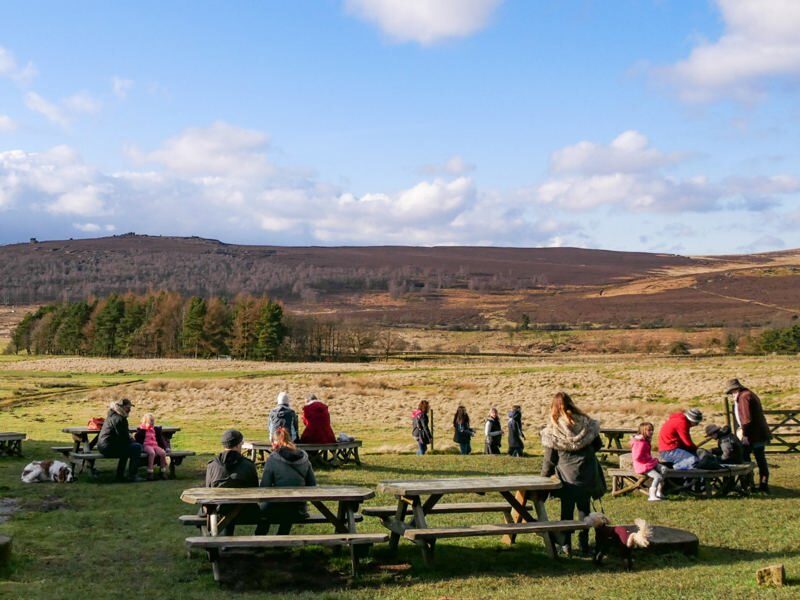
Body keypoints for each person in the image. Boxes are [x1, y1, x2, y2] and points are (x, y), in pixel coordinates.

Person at [540, 392, 602, 556]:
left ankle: (565, 544)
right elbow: (598, 444)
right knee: (585, 510)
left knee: (566, 512)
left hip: (567, 478)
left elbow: (550, 460)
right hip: (587, 474)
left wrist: (543, 479)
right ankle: (584, 544)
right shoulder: (586, 423)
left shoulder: (553, 430)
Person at [257, 426, 317, 535]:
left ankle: (258, 541)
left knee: (265, 512)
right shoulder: (304, 457)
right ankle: (282, 538)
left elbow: (264, 487)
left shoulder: (273, 459)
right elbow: (312, 484)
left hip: (276, 508)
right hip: (298, 509)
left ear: (275, 442)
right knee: (287, 508)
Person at [205, 429, 259, 535]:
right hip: (246, 511)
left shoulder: (212, 465)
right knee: (267, 514)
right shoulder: (248, 465)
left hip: (218, 511)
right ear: (238, 445)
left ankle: (215, 542)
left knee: (205, 511)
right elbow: (255, 488)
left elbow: (208, 488)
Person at [726, 378, 770, 492]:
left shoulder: (744, 397)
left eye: (732, 392)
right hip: (758, 433)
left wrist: (745, 435)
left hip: (753, 435)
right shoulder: (748, 394)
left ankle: (749, 484)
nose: (732, 395)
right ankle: (762, 484)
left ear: (735, 390)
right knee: (760, 459)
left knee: (745, 458)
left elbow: (746, 419)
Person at [97, 398, 143, 483]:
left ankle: (120, 475)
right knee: (137, 448)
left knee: (127, 448)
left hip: (103, 446)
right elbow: (123, 438)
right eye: (128, 407)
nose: (130, 410)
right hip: (108, 447)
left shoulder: (112, 415)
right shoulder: (120, 419)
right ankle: (132, 475)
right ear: (122, 407)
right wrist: (133, 441)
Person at [630, 422, 664, 502]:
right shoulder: (640, 442)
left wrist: (649, 460)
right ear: (643, 431)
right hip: (642, 465)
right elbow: (637, 457)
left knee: (664, 469)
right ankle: (652, 495)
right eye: (649, 430)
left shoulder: (645, 440)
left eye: (652, 430)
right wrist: (648, 460)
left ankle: (659, 491)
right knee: (658, 476)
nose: (651, 432)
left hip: (648, 463)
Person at [134, 413, 169, 480]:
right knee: (152, 453)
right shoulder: (141, 429)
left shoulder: (155, 429)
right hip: (146, 445)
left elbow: (160, 439)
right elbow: (137, 437)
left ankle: (162, 471)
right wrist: (143, 429)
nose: (152, 424)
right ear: (145, 422)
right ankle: (150, 472)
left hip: (154, 445)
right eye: (150, 422)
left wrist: (166, 447)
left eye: (153, 422)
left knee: (162, 453)